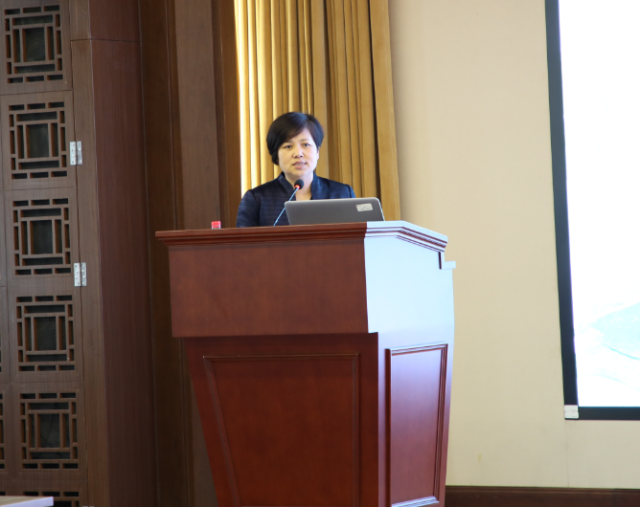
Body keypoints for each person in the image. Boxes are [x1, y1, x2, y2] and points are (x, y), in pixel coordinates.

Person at [236, 112, 355, 227]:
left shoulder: (342, 194)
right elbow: (244, 241)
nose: (298, 153)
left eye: (305, 145)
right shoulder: (256, 199)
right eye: (288, 146)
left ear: (317, 151)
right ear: (276, 155)